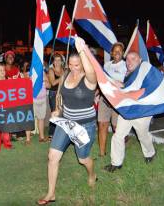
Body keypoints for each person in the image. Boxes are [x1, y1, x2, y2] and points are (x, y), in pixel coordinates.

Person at [37, 38, 98, 205]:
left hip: (84, 125)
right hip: (66, 122)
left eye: (77, 65)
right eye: (70, 64)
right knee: (52, 156)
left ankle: (92, 174)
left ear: (83, 64)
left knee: (83, 159)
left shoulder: (90, 79)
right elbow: (60, 97)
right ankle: (51, 193)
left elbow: (91, 71)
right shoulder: (65, 74)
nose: (73, 68)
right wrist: (59, 110)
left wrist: (83, 50)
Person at [104, 51, 157, 172]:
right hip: (128, 109)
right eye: (127, 59)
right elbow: (127, 88)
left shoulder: (147, 72)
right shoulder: (128, 73)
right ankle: (116, 163)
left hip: (142, 111)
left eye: (133, 58)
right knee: (118, 135)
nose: (129, 62)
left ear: (140, 60)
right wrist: (117, 84)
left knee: (142, 135)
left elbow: (146, 89)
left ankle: (150, 153)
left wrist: (124, 87)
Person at [97, 42, 127, 157]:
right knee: (102, 125)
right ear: (111, 53)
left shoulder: (126, 65)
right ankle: (102, 153)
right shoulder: (106, 65)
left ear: (123, 53)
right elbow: (101, 80)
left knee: (116, 128)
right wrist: (98, 92)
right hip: (104, 100)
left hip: (118, 102)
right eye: (115, 51)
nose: (117, 53)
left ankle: (120, 151)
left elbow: (128, 84)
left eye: (120, 51)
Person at [47, 53, 65, 139]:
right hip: (53, 94)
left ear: (62, 61)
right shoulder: (51, 70)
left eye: (59, 60)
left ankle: (60, 133)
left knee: (62, 113)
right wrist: (62, 76)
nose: (57, 62)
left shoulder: (64, 69)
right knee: (54, 113)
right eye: (55, 60)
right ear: (53, 62)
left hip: (63, 93)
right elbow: (53, 83)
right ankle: (51, 134)